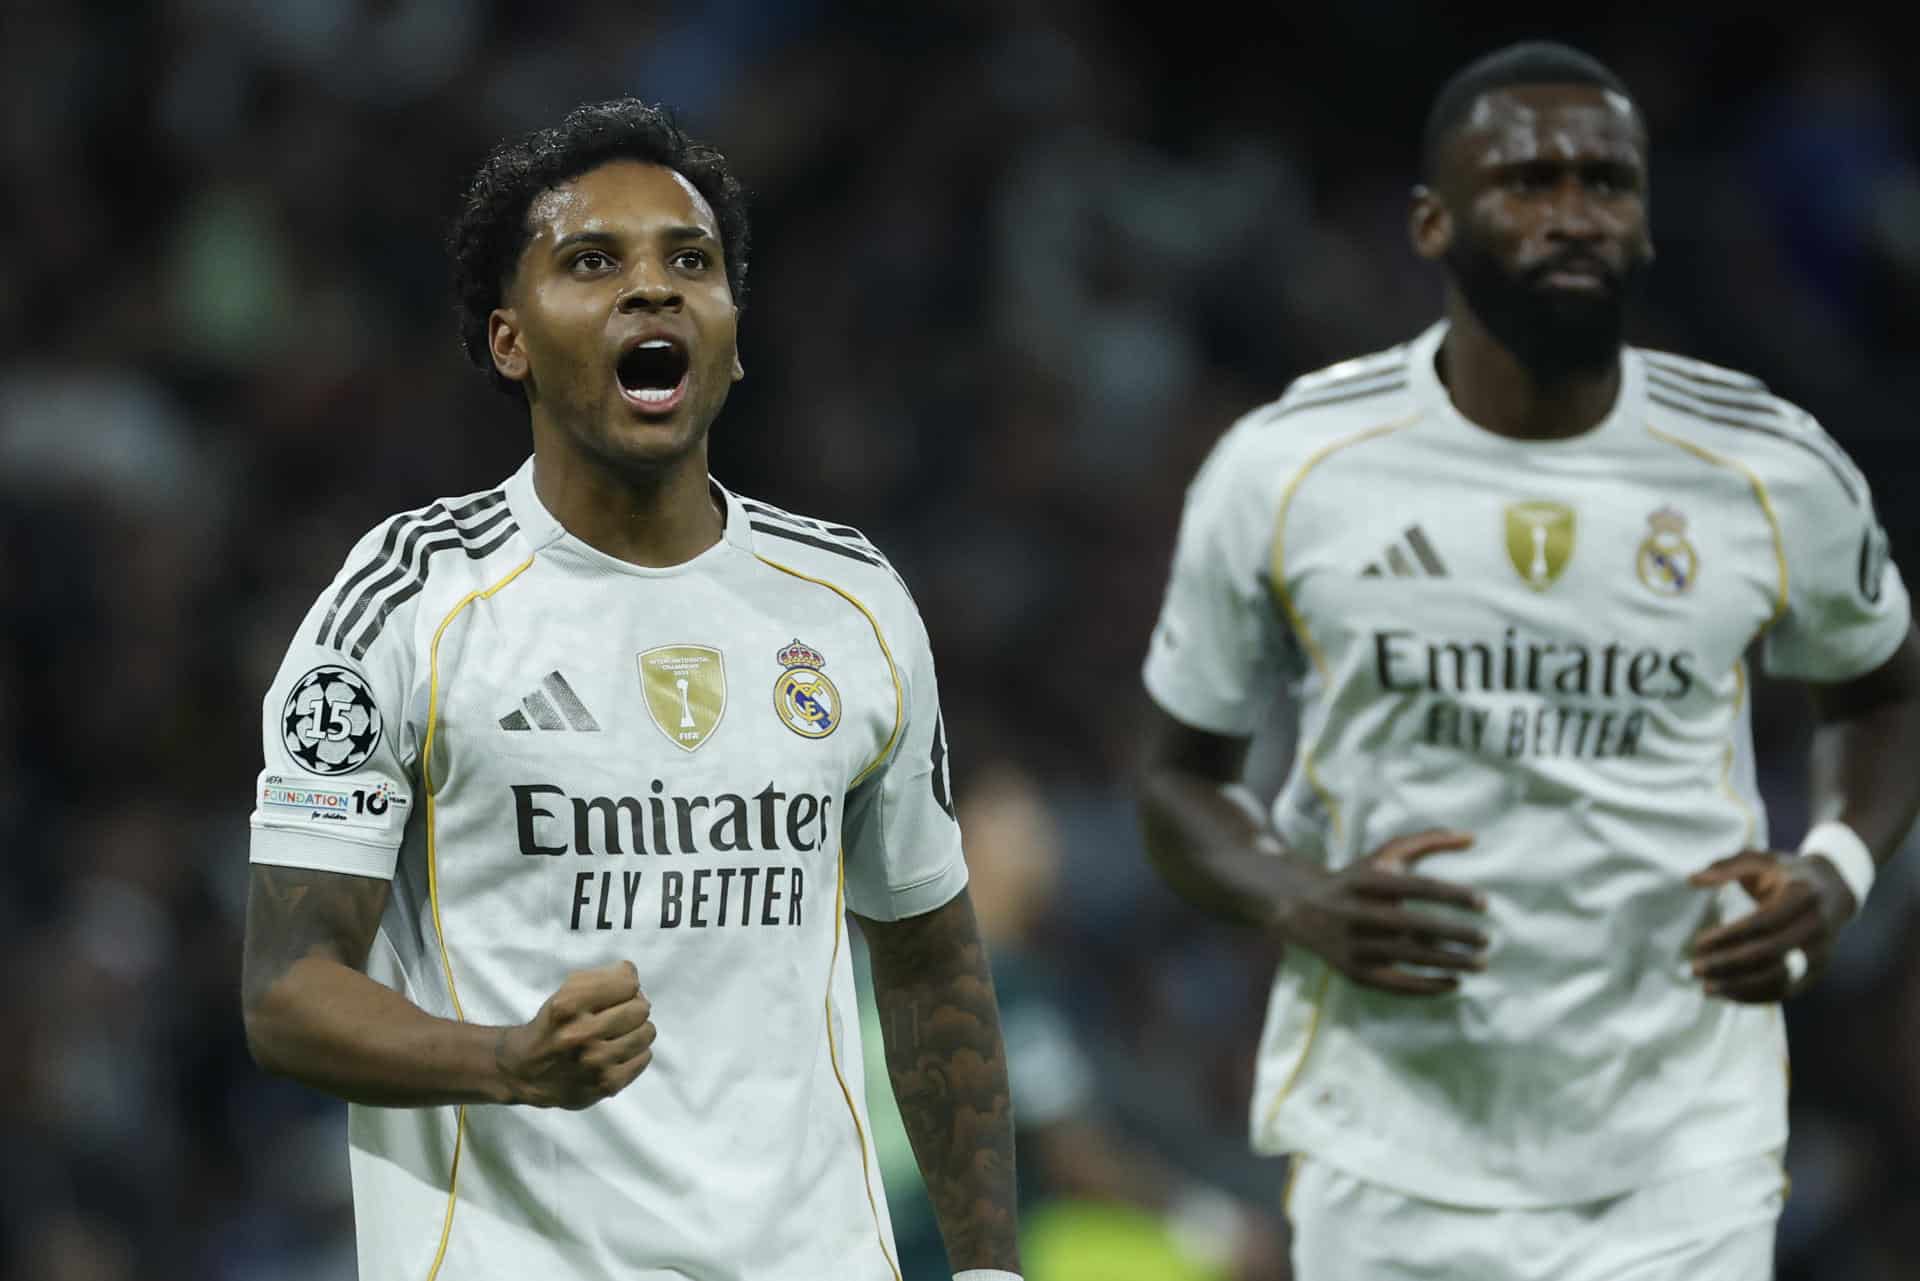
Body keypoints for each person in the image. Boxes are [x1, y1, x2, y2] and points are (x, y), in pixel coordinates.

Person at [1137, 40, 1920, 1281]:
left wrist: (1837, 866)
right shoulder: (1287, 467)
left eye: (1606, 182)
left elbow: (1883, 691)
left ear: (1647, 222)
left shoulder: (1772, 467)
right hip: (1391, 1151)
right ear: (1433, 224)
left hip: (1682, 1158)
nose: (1574, 213)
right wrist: (1299, 895)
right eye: (1530, 181)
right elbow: (1177, 781)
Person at [239, 99, 1021, 1281]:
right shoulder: (405, 603)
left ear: (734, 334)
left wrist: (988, 1267)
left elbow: (930, 963)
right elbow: (288, 992)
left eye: (689, 262)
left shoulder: (850, 602)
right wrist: (508, 1063)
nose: (651, 289)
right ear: (509, 340)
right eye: (592, 262)